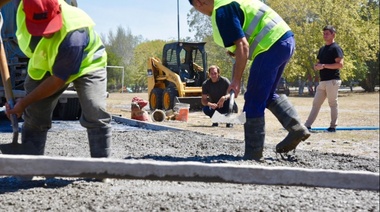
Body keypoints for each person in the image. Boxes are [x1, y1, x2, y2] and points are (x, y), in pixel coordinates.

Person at [189, 0, 310, 161]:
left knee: (253, 99)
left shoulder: (222, 11)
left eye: (196, 8)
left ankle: (253, 154)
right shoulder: (229, 2)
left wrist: (236, 81)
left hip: (270, 45)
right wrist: (234, 77)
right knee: (266, 96)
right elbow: (239, 51)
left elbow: (243, 47)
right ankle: (296, 129)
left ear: (198, 2)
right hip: (284, 40)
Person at [5, 0, 112, 159]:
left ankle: (103, 169)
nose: (45, 33)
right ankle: (30, 169)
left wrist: (23, 102)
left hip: (87, 62)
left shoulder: (74, 33)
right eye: (40, 27)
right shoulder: (21, 6)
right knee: (35, 114)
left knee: (94, 109)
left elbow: (57, 80)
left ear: (58, 10)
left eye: (50, 26)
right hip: (45, 63)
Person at [304, 25, 344, 132]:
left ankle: (333, 126)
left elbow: (340, 65)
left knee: (332, 103)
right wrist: (316, 67)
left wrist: (324, 66)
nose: (325, 35)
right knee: (316, 103)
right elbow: (318, 64)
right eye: (324, 33)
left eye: (327, 33)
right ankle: (307, 125)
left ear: (333, 35)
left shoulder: (336, 48)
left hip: (333, 81)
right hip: (322, 81)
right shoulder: (322, 49)